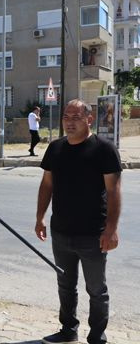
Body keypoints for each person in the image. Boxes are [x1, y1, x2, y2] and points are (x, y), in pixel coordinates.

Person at [35, 99, 122, 344]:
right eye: (66, 116)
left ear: (89, 120)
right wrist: (40, 217)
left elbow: (114, 191)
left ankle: (96, 336)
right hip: (61, 232)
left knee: (96, 289)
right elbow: (47, 184)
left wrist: (111, 230)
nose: (69, 122)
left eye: (76, 117)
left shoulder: (103, 149)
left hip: (93, 234)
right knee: (65, 284)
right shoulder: (55, 148)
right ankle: (68, 331)